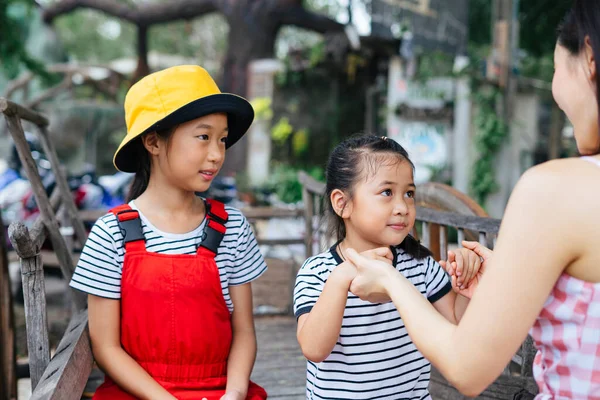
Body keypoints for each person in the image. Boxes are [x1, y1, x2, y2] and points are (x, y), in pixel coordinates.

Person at [343, 2, 600, 398]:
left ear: (589, 60)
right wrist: (512, 278)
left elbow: (466, 368)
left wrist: (391, 282)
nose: (555, 90)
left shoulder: (556, 190)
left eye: (554, 69)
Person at [69, 65, 268, 400]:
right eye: (203, 137)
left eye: (222, 139)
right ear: (153, 142)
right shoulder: (111, 233)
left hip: (220, 391)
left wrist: (233, 395)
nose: (217, 154)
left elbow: (245, 331)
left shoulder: (233, 227)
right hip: (137, 393)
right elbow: (105, 347)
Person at [293, 134, 482, 399]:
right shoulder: (317, 272)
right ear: (342, 203)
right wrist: (341, 277)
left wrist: (464, 286)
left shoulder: (421, 265)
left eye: (409, 193)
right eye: (386, 192)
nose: (402, 207)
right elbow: (314, 349)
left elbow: (456, 325)